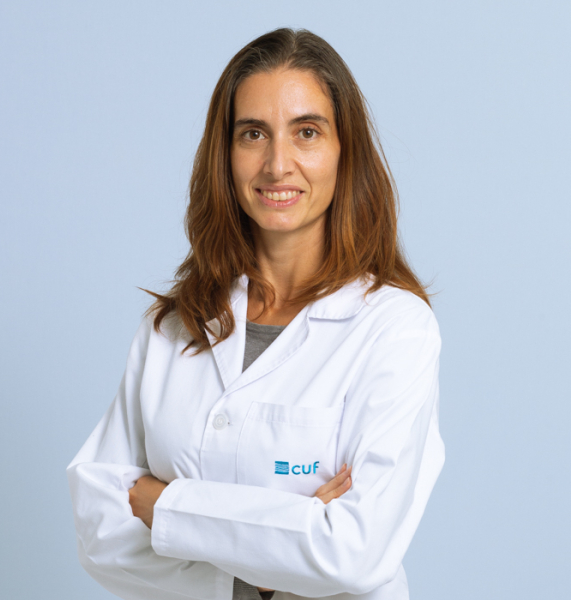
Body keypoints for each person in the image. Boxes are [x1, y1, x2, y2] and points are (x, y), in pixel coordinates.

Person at [67, 27, 444, 600]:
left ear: (345, 152)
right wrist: (283, 549)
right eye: (253, 134)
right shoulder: (172, 326)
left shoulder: (394, 328)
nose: (277, 164)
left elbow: (354, 552)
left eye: (307, 132)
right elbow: (101, 530)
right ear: (226, 154)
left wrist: (166, 505)